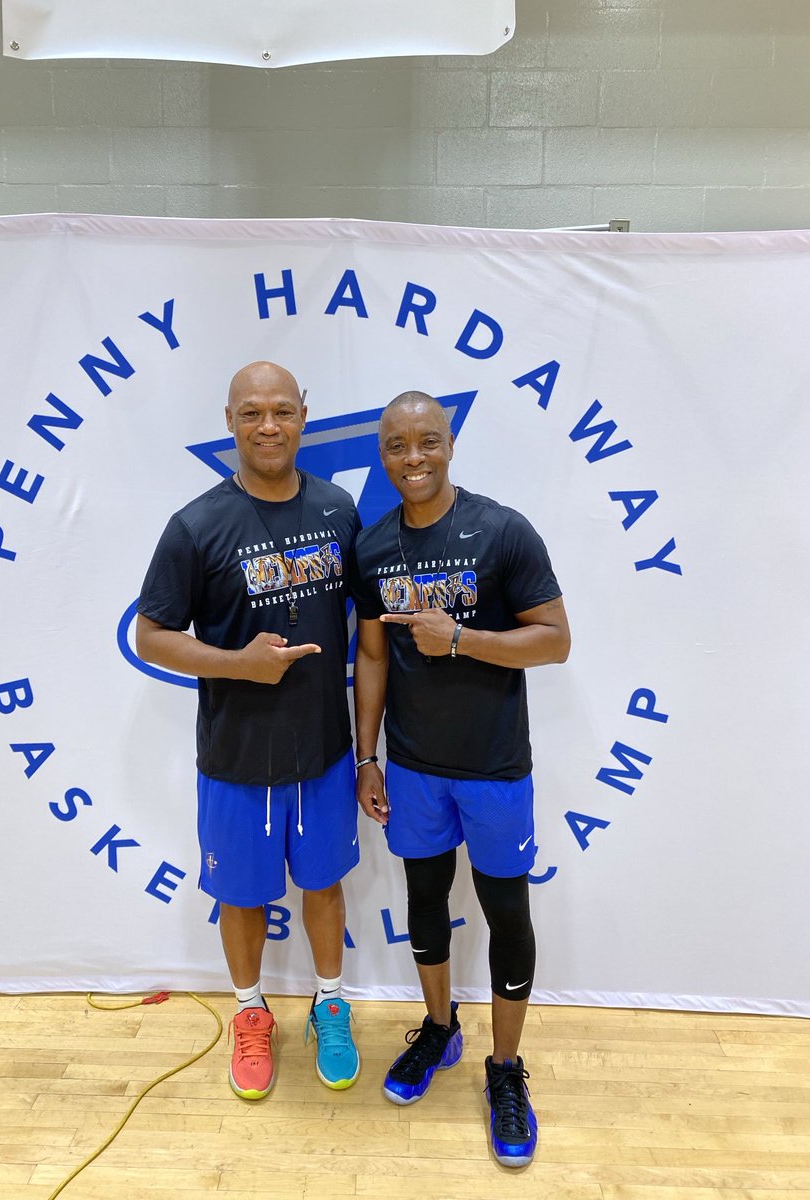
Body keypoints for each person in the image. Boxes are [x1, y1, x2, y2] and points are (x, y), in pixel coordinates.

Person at [350, 390, 570, 1167]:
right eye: (397, 445)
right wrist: (367, 756)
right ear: (382, 453)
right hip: (414, 768)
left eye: (427, 442)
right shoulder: (373, 547)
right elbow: (371, 655)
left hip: (494, 767)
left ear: (449, 445)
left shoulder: (503, 530)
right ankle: (440, 1030)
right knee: (424, 900)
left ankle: (505, 1068)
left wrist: (460, 639)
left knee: (507, 912)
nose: (413, 458)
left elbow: (554, 641)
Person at [135, 361, 362, 1101]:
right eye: (253, 413)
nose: (269, 426)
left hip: (323, 748)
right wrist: (238, 664)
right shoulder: (196, 525)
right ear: (229, 420)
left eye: (283, 411)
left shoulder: (338, 509)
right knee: (240, 895)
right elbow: (150, 636)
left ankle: (331, 1006)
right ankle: (251, 1013)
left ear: (304, 416)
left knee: (323, 885)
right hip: (235, 754)